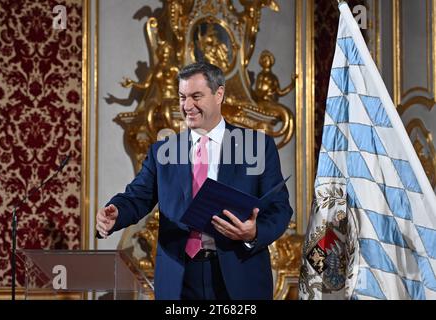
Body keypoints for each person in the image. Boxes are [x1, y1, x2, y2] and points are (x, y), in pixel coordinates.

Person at [96, 62, 293, 300]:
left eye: (196, 96)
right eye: (182, 97)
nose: (187, 106)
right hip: (179, 278)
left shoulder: (258, 147)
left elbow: (280, 209)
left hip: (239, 276)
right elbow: (138, 196)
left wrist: (254, 232)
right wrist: (116, 212)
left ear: (219, 94)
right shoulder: (163, 151)